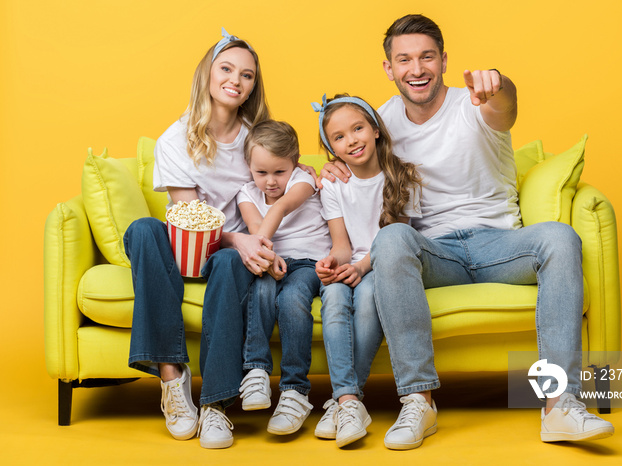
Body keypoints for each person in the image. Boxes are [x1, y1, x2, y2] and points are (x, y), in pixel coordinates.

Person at [323, 14, 614, 450]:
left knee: (559, 236)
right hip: (434, 252)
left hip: (500, 243)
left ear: (443, 60)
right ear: (388, 68)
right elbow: (349, 150)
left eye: (426, 57)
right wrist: (326, 168)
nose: (416, 69)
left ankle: (560, 406)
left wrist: (501, 85)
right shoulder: (378, 123)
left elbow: (506, 106)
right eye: (404, 60)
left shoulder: (475, 104)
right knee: (392, 238)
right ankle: (418, 402)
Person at [123, 28, 276, 449]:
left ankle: (215, 405)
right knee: (143, 229)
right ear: (207, 74)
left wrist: (324, 174)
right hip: (187, 246)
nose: (235, 80)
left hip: (229, 258)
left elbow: (285, 174)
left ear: (251, 87)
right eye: (226, 68)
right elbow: (189, 217)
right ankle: (172, 379)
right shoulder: (176, 138)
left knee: (229, 260)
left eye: (247, 75)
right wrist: (237, 239)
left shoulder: (255, 137)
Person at [310, 94, 422, 448]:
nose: (352, 140)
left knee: (371, 294)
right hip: (351, 263)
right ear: (332, 147)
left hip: (383, 264)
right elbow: (341, 244)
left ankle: (344, 400)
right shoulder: (332, 184)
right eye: (339, 137)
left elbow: (396, 239)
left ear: (375, 129)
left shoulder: (404, 177)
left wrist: (361, 267)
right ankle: (349, 402)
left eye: (358, 128)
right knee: (335, 298)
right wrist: (334, 263)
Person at [235, 120, 332, 435]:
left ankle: (295, 390)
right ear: (249, 167)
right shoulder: (247, 192)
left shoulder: (304, 179)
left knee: (291, 298)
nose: (271, 182)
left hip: (308, 263)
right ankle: (256, 372)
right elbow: (254, 230)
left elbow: (286, 205)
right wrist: (268, 257)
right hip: (272, 257)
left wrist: (266, 247)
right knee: (261, 286)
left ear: (296, 163)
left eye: (280, 172)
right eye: (261, 173)